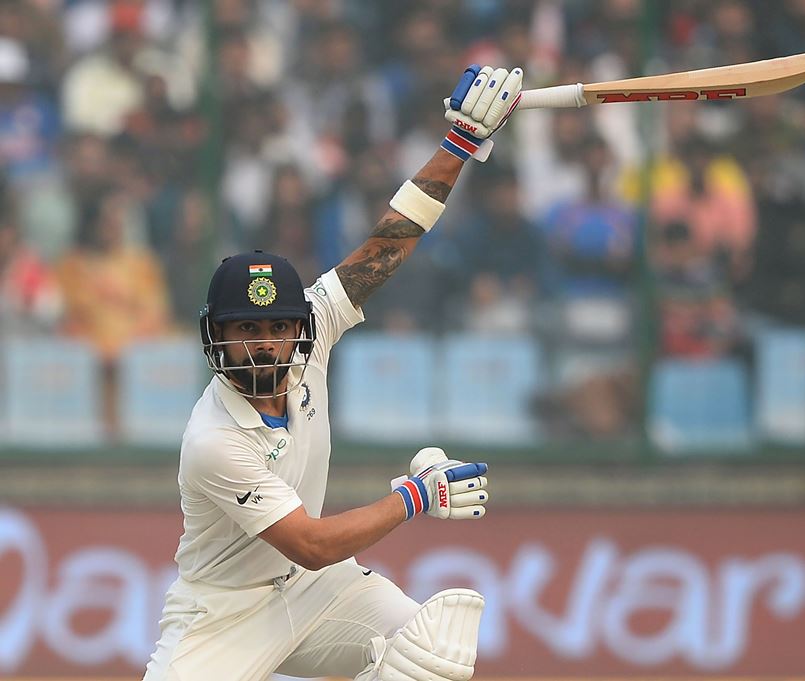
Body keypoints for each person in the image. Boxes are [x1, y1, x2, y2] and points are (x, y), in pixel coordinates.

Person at [143, 63, 524, 681]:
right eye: (245, 330)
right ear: (217, 337)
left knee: (433, 656)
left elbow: (387, 245)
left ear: (298, 328)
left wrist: (457, 147)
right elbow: (313, 543)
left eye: (275, 329)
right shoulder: (213, 440)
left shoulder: (314, 329)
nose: (263, 346)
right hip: (223, 613)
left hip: (317, 595)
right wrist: (417, 496)